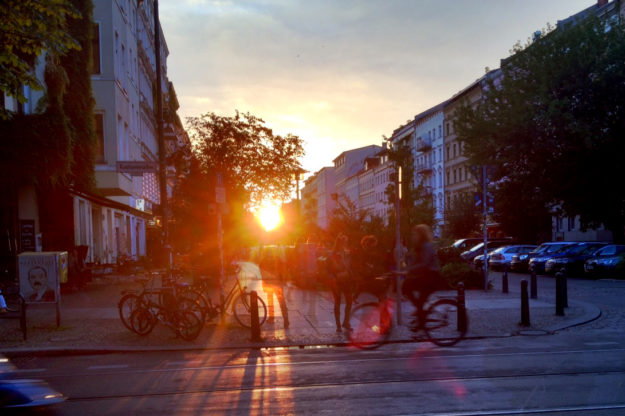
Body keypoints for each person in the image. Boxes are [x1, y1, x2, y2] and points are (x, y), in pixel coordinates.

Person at [401, 224, 441, 330]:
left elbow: (425, 263)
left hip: (431, 277)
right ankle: (420, 313)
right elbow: (415, 262)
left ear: (420, 235)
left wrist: (409, 270)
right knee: (407, 287)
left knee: (408, 288)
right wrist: (406, 269)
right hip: (425, 276)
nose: (413, 236)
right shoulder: (419, 246)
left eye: (415, 234)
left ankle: (420, 316)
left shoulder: (426, 246)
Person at [328, 233, 353, 333]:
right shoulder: (333, 254)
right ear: (339, 243)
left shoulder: (347, 254)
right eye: (343, 242)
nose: (345, 244)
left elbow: (350, 266)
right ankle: (338, 325)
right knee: (337, 302)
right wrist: (333, 278)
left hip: (346, 280)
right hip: (337, 281)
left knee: (349, 301)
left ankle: (346, 322)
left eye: (346, 242)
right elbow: (328, 269)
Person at [258, 247, 289, 328]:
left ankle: (271, 318)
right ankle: (286, 319)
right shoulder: (278, 259)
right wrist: (283, 280)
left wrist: (263, 284)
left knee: (270, 300)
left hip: (269, 284)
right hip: (277, 283)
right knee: (281, 301)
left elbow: (261, 272)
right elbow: (283, 269)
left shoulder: (263, 260)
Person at [353, 235, 387, 302]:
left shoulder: (371, 249)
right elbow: (363, 260)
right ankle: (380, 297)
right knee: (371, 284)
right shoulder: (366, 249)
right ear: (372, 243)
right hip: (365, 271)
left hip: (369, 270)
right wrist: (369, 265)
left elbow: (373, 259)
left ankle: (354, 297)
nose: (376, 244)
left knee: (363, 285)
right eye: (375, 242)